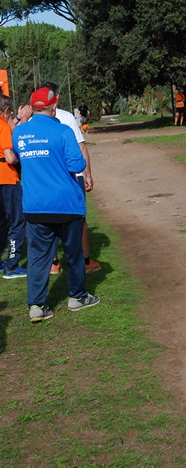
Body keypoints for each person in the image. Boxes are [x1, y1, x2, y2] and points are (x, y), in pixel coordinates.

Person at [12, 86, 100, 322]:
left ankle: (37, 306)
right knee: (73, 253)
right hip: (66, 204)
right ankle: (78, 296)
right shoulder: (62, 131)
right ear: (55, 104)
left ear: (32, 106)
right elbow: (76, 165)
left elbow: (17, 158)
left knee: (38, 257)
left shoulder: (20, 133)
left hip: (34, 206)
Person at [39, 82, 101, 275]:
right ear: (55, 99)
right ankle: (84, 261)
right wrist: (88, 174)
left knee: (49, 220)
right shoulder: (66, 117)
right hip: (72, 177)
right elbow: (81, 146)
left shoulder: (34, 121)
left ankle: (54, 263)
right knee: (79, 217)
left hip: (46, 178)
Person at [0, 95, 31, 279]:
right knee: (17, 221)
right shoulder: (2, 126)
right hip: (8, 179)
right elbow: (10, 156)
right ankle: (12, 266)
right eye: (10, 114)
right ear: (5, 111)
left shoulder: (5, 125)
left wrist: (19, 120)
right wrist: (25, 157)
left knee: (2, 222)